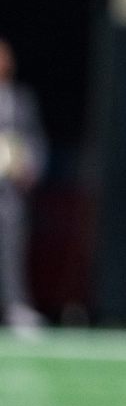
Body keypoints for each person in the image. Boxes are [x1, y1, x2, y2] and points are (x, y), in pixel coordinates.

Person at [0, 38, 48, 339]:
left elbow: (35, 140)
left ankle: (16, 305)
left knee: (12, 247)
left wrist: (30, 168)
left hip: (10, 187)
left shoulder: (22, 98)